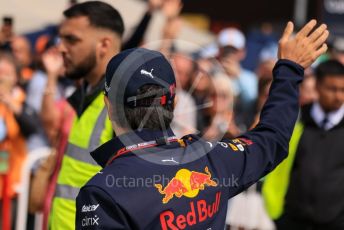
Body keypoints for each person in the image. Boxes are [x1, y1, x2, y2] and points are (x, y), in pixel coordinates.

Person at [75, 20, 328, 229]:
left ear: (109, 105)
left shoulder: (102, 192)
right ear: (172, 103)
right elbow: (272, 138)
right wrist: (290, 69)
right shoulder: (212, 158)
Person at [49, 2, 124, 229]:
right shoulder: (85, 92)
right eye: (61, 38)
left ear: (104, 45)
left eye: (71, 39)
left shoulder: (124, 104)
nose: (61, 48)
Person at [262, 59, 344, 230]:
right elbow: (276, 167)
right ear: (318, 87)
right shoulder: (295, 120)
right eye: (332, 89)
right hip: (290, 221)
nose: (339, 96)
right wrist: (278, 217)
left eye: (343, 90)